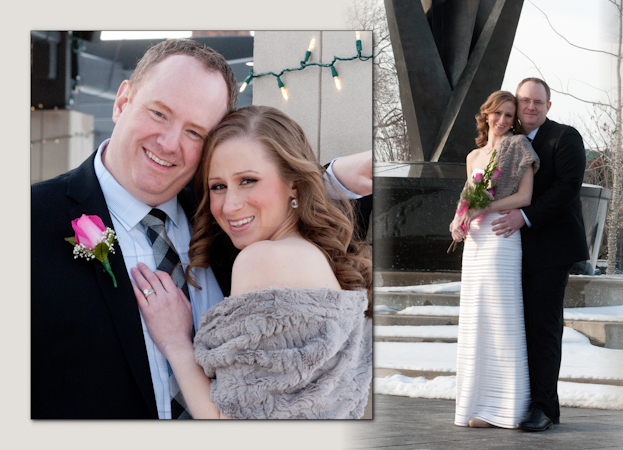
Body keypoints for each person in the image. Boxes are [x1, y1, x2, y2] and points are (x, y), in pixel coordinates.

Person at [31, 38, 372, 419]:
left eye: (195, 133)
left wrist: (327, 178)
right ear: (123, 101)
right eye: (159, 113)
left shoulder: (231, 227)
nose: (170, 143)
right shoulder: (28, 219)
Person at [130, 106, 372, 418]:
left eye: (248, 180)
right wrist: (332, 178)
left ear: (295, 184)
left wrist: (176, 342)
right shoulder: (312, 255)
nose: (230, 206)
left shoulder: (261, 260)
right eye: (218, 186)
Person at [489, 78, 588, 431]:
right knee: (517, 328)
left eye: (538, 102)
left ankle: (544, 407)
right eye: (525, 100)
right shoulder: (506, 142)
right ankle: (518, 399)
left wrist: (524, 216)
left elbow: (566, 189)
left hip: (551, 248)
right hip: (510, 250)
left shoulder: (565, 138)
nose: (531, 107)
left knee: (543, 329)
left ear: (549, 106)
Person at [450, 91, 538, 429]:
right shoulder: (474, 156)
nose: (502, 121)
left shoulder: (518, 147)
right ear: (486, 115)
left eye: (508, 116)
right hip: (474, 241)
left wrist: (484, 208)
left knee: (501, 317)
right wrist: (457, 221)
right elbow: (465, 196)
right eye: (497, 114)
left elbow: (525, 196)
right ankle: (478, 405)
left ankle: (507, 408)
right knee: (476, 318)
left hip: (501, 235)